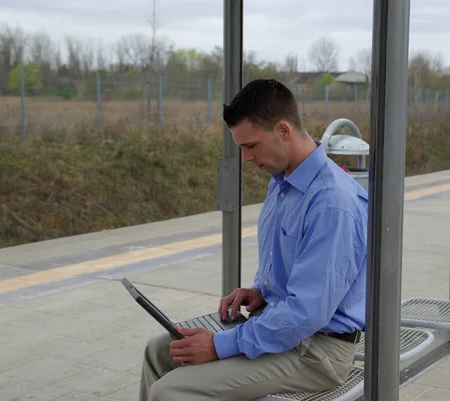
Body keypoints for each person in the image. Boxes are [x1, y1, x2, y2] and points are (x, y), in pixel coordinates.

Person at [139, 78, 368, 401]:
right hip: (284, 330)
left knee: (171, 390)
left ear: (283, 131)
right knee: (159, 351)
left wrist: (219, 346)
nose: (246, 158)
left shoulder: (332, 203)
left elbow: (306, 312)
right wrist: (261, 290)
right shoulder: (282, 182)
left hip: (316, 352)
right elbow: (293, 272)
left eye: (251, 146)